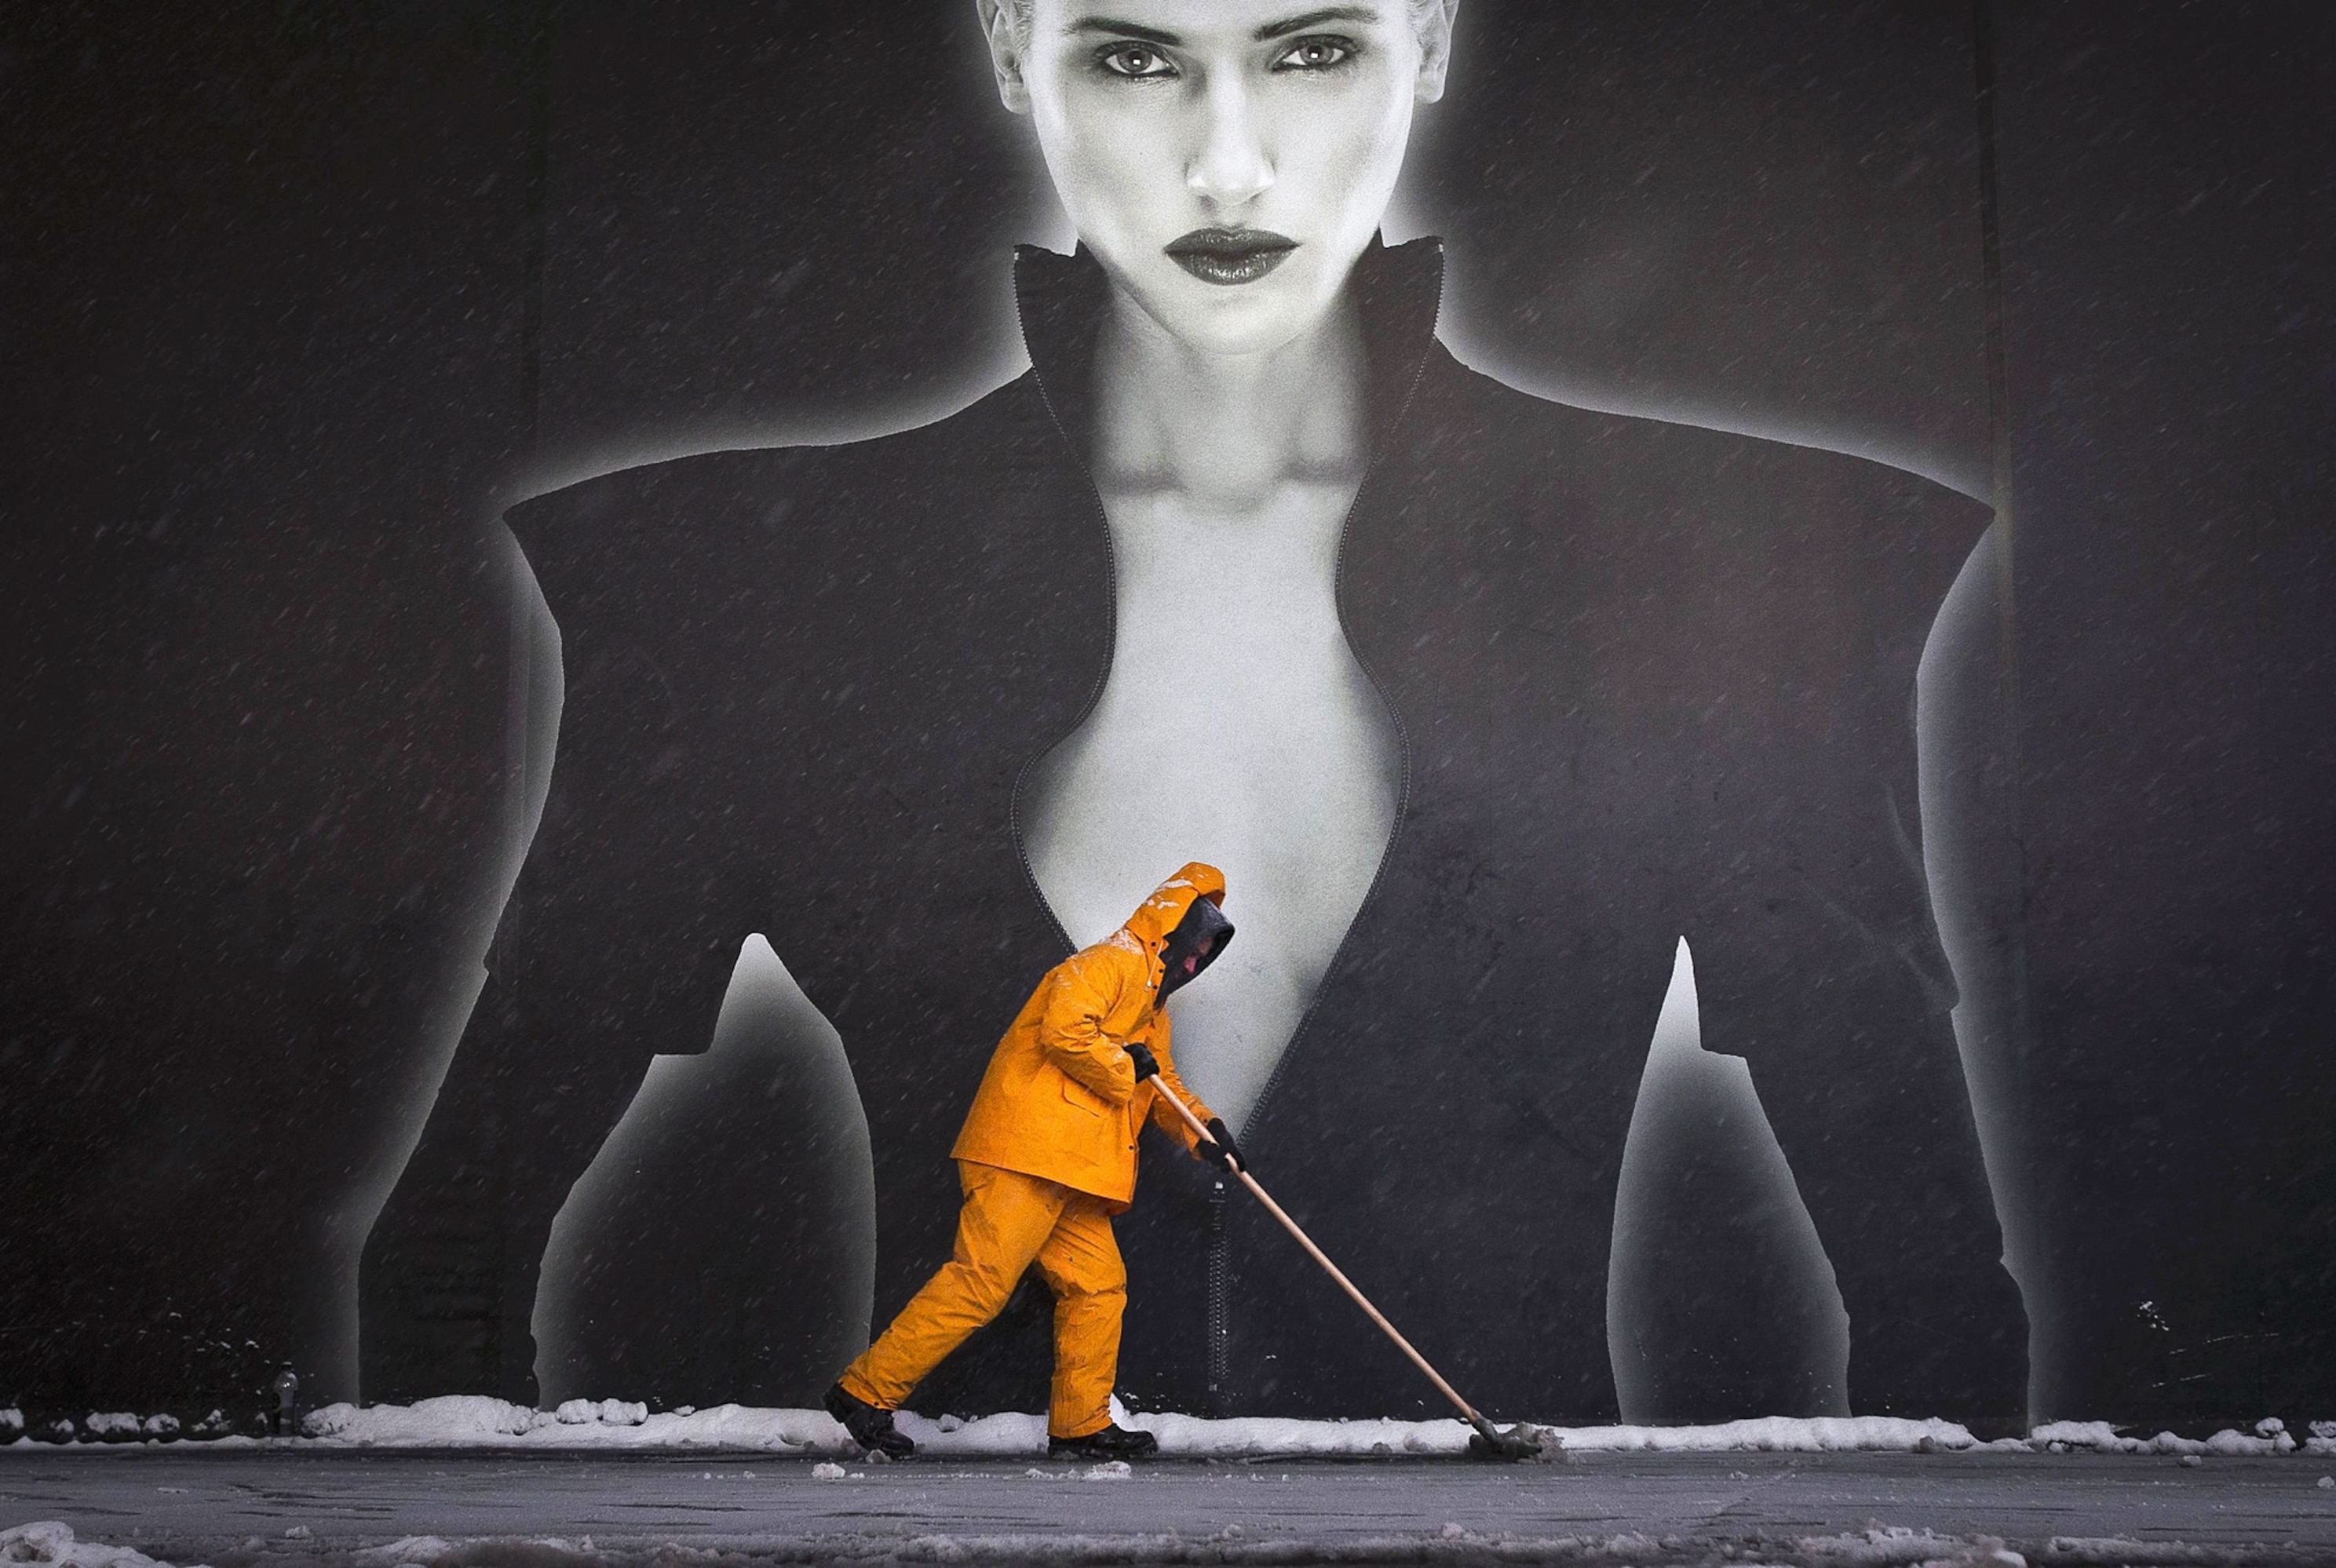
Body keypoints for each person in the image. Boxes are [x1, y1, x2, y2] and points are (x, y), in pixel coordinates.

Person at [365, 0, 2028, 1427]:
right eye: (1136, 57)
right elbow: (448, 1257)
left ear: (1430, 37)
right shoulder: (730, 591)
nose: (1229, 165)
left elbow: (1932, 1286)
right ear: (1014, 48)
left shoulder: (1726, 565)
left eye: (1308, 49)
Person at [824, 864, 1239, 1460]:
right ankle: (863, 1392)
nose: (1195, 966)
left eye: (1206, 958)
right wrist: (1127, 1064)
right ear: (1174, 930)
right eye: (1195, 949)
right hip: (1026, 1155)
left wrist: (1207, 1135)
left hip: (1072, 1172)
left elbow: (1161, 1086)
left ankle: (1080, 1423)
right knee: (981, 1282)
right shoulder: (1106, 964)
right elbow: (1065, 1032)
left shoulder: (1153, 1015)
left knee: (1099, 1287)